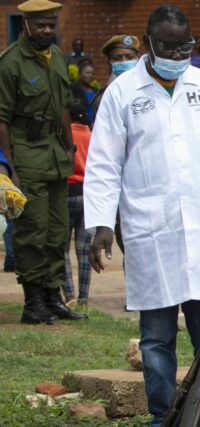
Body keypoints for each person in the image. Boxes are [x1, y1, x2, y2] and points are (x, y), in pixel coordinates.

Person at [84, 6, 200, 425]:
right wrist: (102, 221)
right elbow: (104, 160)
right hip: (151, 229)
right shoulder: (123, 93)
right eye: (169, 47)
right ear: (148, 42)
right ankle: (163, 416)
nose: (179, 56)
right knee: (156, 337)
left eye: (186, 47)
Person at [0, 0, 85, 325]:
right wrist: (10, 168)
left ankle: (52, 296)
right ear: (25, 26)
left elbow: (63, 107)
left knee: (57, 231)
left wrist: (68, 146)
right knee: (33, 231)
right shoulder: (11, 63)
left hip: (55, 154)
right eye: (40, 25)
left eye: (50, 25)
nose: (47, 30)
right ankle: (33, 301)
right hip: (26, 154)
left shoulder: (58, 57)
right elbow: (1, 119)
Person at [62, 102, 91, 309]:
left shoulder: (66, 134)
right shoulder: (92, 136)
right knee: (84, 250)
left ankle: (69, 294)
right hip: (87, 194)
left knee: (63, 248)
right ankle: (84, 297)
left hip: (67, 191)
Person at [93, 35, 141, 113]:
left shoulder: (151, 89)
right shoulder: (104, 98)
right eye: (117, 58)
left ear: (137, 58)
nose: (124, 61)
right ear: (109, 62)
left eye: (129, 57)